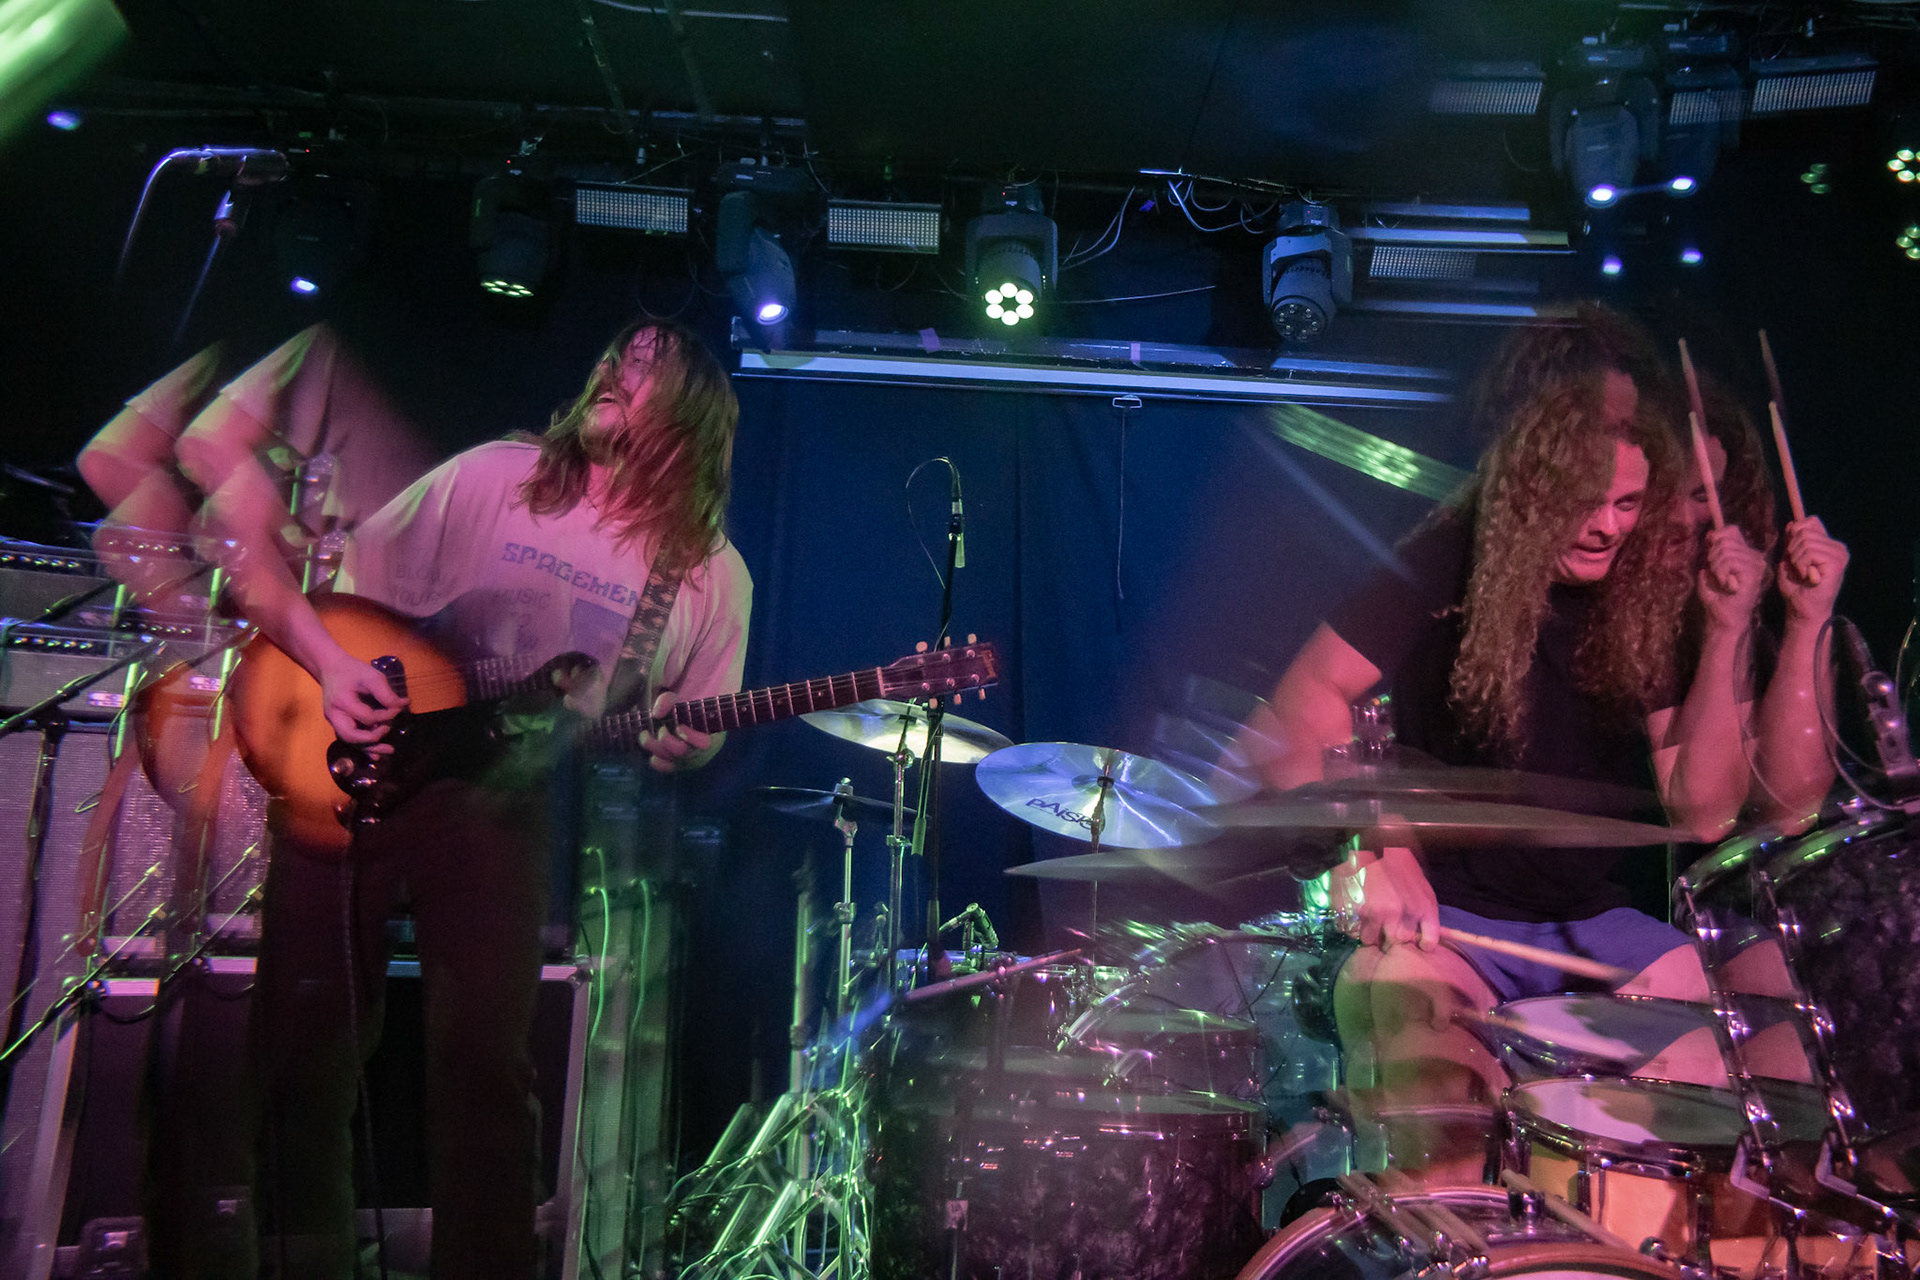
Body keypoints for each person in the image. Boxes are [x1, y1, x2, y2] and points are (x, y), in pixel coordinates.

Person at [1242, 306, 1847, 1178]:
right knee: (1423, 1069)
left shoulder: (1648, 585)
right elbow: (1301, 710)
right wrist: (1374, 845)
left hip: (1595, 924)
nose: (1609, 524)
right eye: (1584, 498)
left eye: (1627, 501)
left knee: (1715, 1083)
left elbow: (1707, 809)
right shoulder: (1449, 553)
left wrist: (1732, 631)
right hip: (1453, 925)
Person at [218, 319, 752, 1277]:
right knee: (300, 1049)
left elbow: (695, 719)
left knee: (485, 1073)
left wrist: (693, 740)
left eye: (644, 368)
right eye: (614, 357)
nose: (613, 371)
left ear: (694, 418)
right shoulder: (494, 478)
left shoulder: (709, 575)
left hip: (502, 802)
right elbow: (349, 594)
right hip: (357, 769)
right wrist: (340, 674)